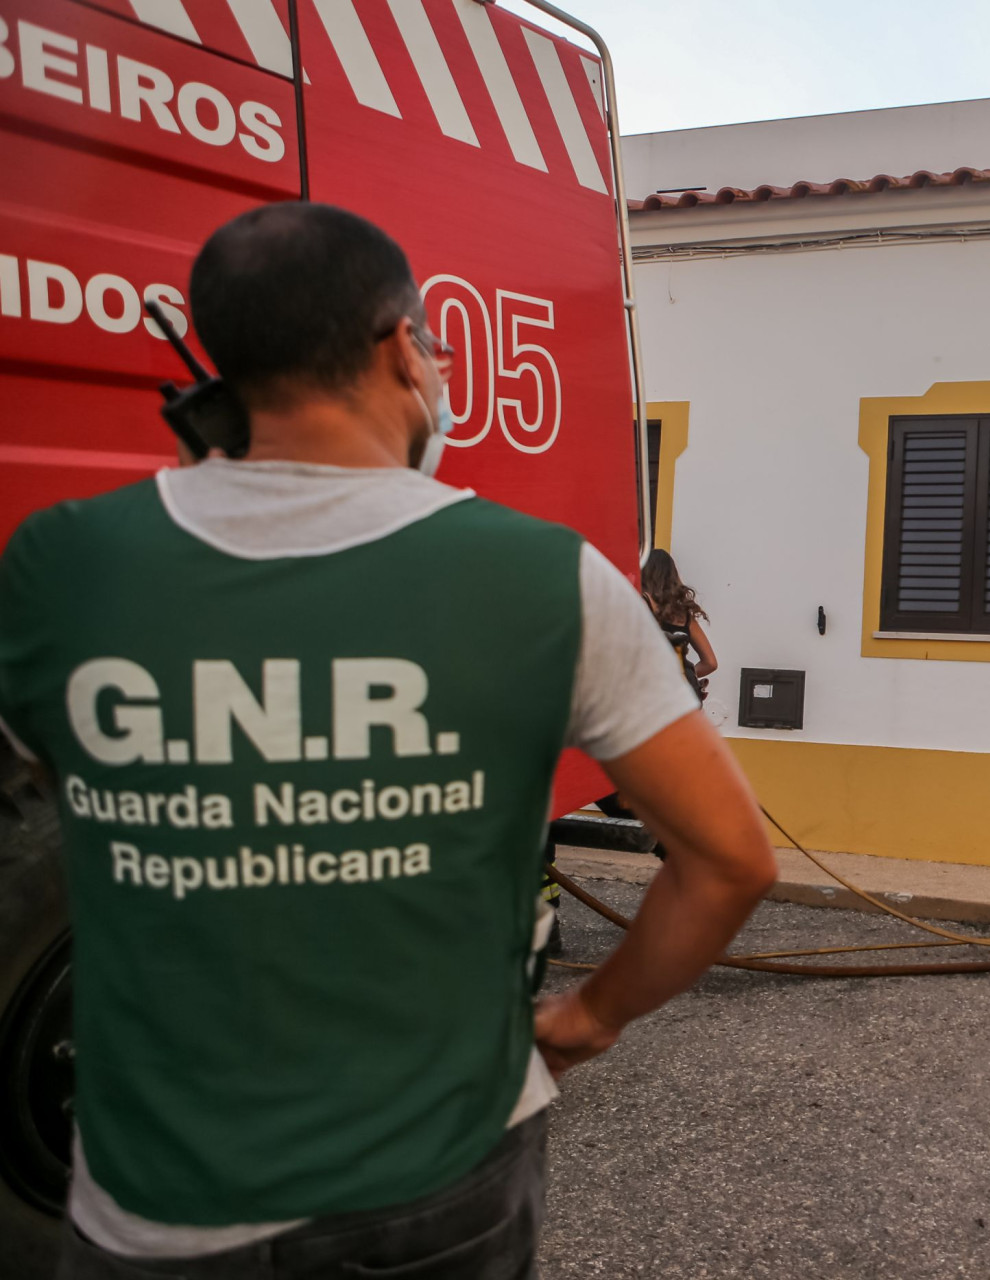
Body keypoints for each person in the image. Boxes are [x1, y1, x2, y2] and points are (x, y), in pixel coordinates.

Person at [0, 203, 779, 1278]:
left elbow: (54, 788)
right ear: (400, 346)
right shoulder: (544, 578)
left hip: (155, 1207)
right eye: (436, 344)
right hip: (437, 1184)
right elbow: (732, 857)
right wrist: (592, 1014)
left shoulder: (55, 567)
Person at [641, 546, 718, 701]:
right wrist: (684, 676)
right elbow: (710, 663)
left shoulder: (642, 602)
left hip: (653, 691)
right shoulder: (684, 613)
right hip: (685, 694)